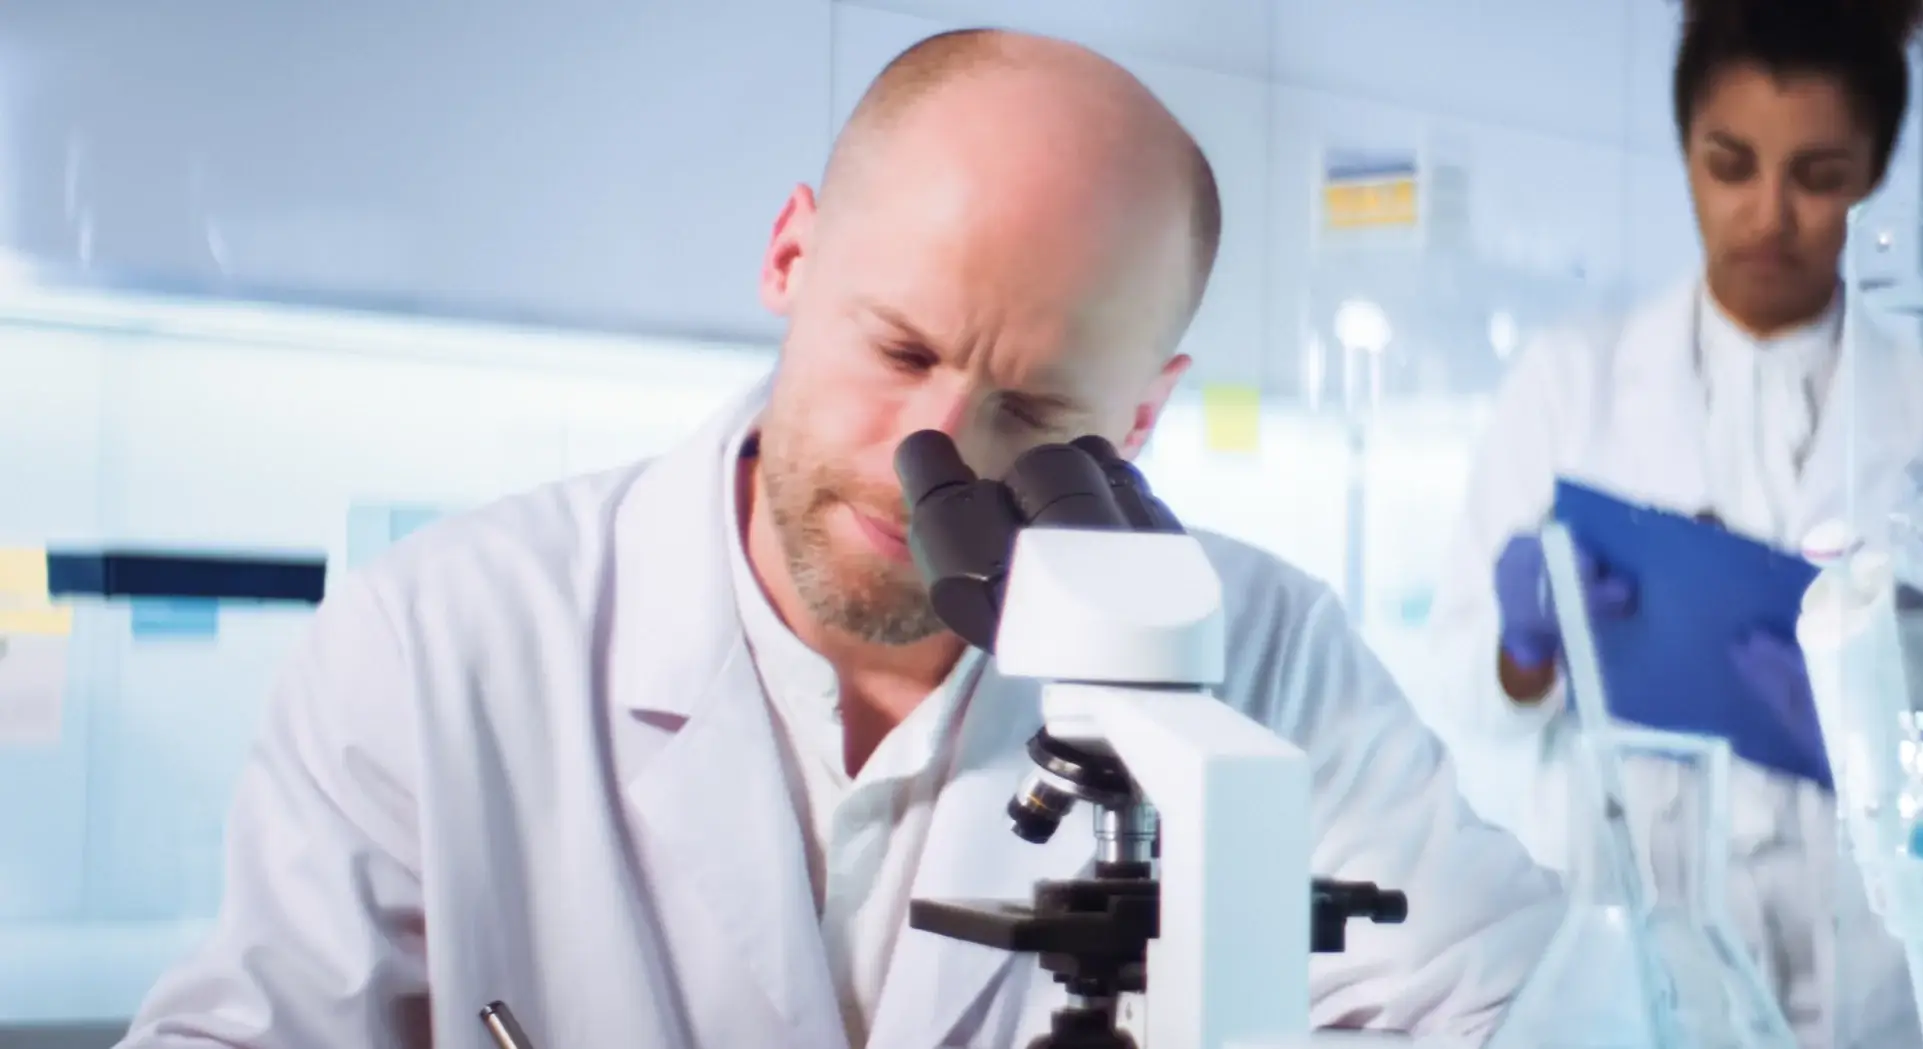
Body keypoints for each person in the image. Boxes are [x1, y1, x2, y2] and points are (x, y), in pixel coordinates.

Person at [117, 29, 1562, 1049]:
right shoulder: (440, 642)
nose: (925, 450)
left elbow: (1523, 1005)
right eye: (899, 345)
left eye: (1035, 404)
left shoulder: (1263, 654)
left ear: (1138, 417)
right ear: (791, 255)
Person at [1414, 1, 1923, 1046]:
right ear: (1683, 152)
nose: (1769, 214)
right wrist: (1526, 648)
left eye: (1817, 175)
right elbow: (1454, 692)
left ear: (1874, 172)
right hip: (1631, 974)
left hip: (1870, 988)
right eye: (1730, 163)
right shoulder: (1572, 383)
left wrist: (1871, 729)